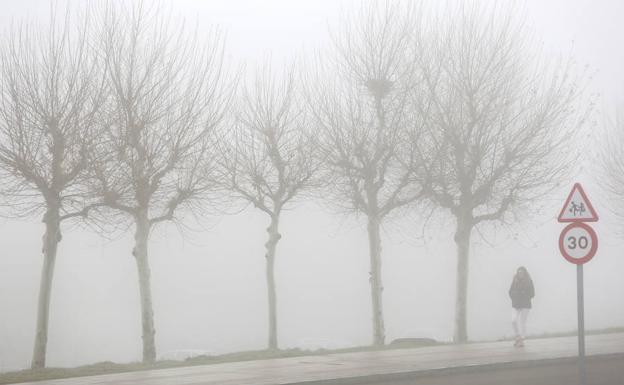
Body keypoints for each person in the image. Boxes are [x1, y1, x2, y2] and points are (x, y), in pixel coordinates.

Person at [509, 266, 535, 347]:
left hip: (525, 304)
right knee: (513, 320)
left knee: (522, 322)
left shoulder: (529, 281)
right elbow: (510, 291)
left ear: (525, 273)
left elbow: (532, 293)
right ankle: (518, 336)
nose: (520, 274)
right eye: (519, 272)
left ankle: (521, 340)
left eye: (522, 272)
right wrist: (514, 297)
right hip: (516, 304)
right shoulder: (515, 280)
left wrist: (524, 295)